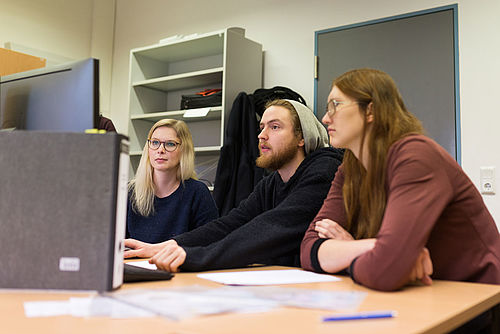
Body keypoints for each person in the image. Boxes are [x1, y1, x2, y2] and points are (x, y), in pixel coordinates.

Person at [300, 68, 500, 292]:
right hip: (421, 293)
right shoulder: (351, 167)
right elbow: (309, 248)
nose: (326, 118)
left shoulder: (415, 156)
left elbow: (385, 270)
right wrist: (368, 248)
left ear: (370, 111)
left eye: (336, 105)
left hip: (478, 298)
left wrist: (354, 255)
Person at [125, 99, 344, 271]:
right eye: (261, 127)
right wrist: (172, 245)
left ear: (301, 137)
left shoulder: (324, 170)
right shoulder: (271, 184)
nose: (261, 135)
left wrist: (192, 257)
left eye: (275, 127)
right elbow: (230, 224)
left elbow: (271, 227)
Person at [126, 119, 218, 243]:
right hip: (133, 262)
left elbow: (210, 243)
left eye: (170, 144)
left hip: (180, 262)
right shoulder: (129, 192)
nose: (160, 150)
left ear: (183, 150)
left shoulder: (198, 193)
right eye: (154, 143)